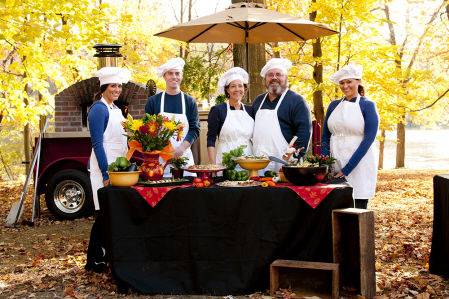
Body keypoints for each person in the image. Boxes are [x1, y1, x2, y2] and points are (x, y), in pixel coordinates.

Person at [85, 66, 130, 273]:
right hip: (104, 166)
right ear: (104, 87)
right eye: (113, 85)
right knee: (103, 213)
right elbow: (97, 144)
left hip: (119, 165)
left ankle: (107, 255)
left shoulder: (116, 109)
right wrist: (105, 173)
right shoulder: (98, 109)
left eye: (119, 86)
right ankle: (93, 259)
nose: (117, 89)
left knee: (112, 213)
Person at [321, 63, 379, 209]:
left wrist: (347, 169)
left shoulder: (368, 105)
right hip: (336, 160)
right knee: (337, 204)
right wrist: (326, 163)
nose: (345, 86)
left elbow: (368, 139)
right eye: (342, 83)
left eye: (349, 82)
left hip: (360, 162)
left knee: (358, 205)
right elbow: (325, 136)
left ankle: (358, 233)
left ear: (358, 82)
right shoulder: (333, 106)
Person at [252, 58, 312, 172]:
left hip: (286, 165)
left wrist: (293, 159)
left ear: (286, 78)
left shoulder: (297, 101)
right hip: (259, 163)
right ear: (265, 79)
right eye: (270, 75)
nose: (274, 77)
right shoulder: (258, 101)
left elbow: (304, 133)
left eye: (279, 74)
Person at [145, 57, 200, 175]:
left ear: (182, 76)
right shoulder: (153, 101)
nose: (174, 76)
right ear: (164, 76)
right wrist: (163, 149)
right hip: (160, 161)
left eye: (177, 73)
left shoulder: (189, 101)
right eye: (170, 73)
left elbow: (194, 129)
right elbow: (147, 130)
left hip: (184, 157)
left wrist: (181, 149)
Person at [207, 67, 254, 165]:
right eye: (233, 86)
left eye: (240, 86)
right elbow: (211, 140)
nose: (237, 89)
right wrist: (213, 165)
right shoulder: (218, 110)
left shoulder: (250, 111)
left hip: (248, 161)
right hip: (225, 161)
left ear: (244, 89)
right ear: (227, 90)